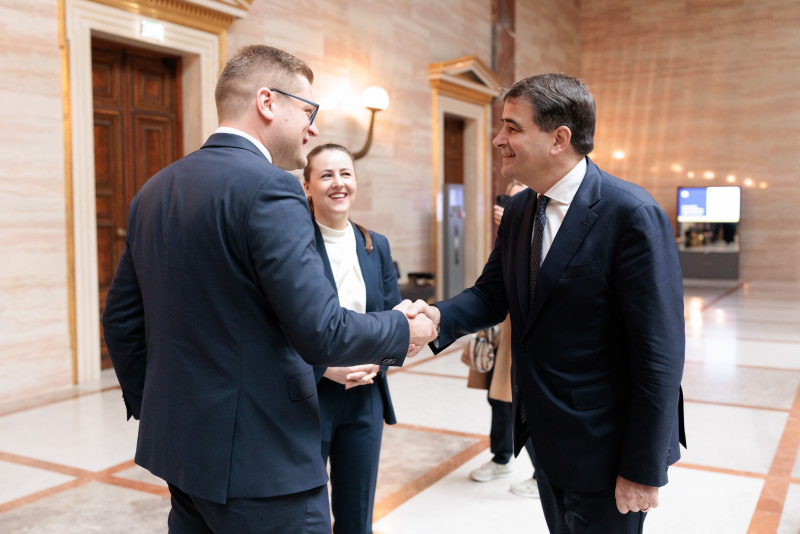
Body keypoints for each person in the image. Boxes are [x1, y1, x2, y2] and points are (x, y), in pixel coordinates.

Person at [101, 45, 436, 534]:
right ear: (266, 102)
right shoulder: (270, 189)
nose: (314, 127)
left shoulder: (155, 189)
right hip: (262, 465)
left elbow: (121, 322)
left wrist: (162, 409)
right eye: (308, 110)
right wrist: (404, 327)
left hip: (180, 453)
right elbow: (321, 330)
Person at [407, 73, 686, 533]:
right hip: (542, 433)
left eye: (513, 128)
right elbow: (491, 293)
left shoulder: (630, 214)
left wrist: (643, 467)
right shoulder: (521, 210)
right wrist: (434, 318)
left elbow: (659, 355)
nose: (499, 139)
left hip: (606, 446)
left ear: (560, 138)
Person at [301, 143, 400, 534]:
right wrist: (326, 368)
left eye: (345, 173)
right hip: (309, 397)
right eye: (326, 175)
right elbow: (272, 328)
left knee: (357, 512)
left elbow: (394, 322)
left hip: (366, 396)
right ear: (307, 186)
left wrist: (377, 362)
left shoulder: (376, 246)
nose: (338, 183)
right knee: (305, 513)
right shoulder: (293, 245)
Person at [467, 181, 539, 499]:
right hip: (502, 325)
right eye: (512, 195)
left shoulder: (545, 227)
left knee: (528, 402)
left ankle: (543, 473)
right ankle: (501, 458)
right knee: (498, 397)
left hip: (527, 329)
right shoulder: (508, 230)